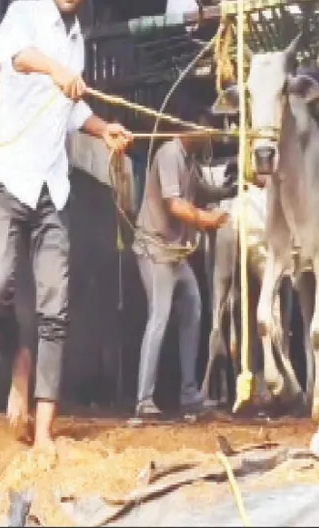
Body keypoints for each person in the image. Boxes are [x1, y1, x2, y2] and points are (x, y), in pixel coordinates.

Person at [0, 0, 134, 452]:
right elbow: (13, 54)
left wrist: (101, 127)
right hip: (6, 175)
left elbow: (71, 109)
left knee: (55, 308)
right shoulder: (24, 15)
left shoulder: (79, 42)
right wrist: (55, 68)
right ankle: (18, 364)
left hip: (51, 189)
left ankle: (44, 433)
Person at [132, 105, 236, 420]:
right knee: (159, 318)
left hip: (176, 253)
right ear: (191, 127)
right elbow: (175, 203)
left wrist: (230, 190)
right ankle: (143, 399)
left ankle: (189, 392)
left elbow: (200, 191)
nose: (210, 137)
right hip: (156, 249)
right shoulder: (168, 154)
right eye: (206, 129)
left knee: (193, 309)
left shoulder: (190, 161)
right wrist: (206, 218)